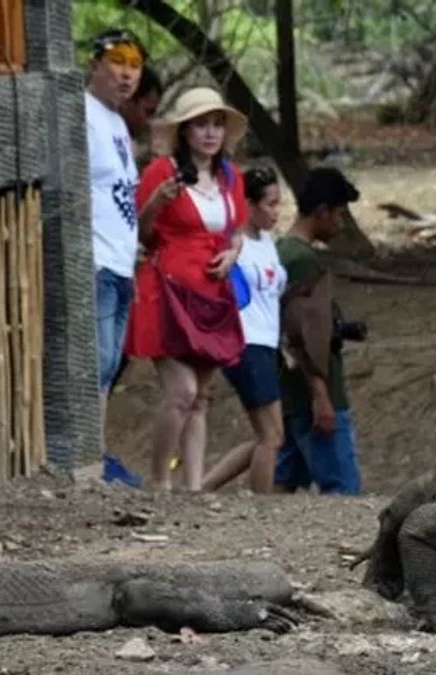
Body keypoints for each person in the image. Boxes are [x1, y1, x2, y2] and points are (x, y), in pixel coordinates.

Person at [125, 86, 250, 492]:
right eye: (201, 125)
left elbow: (237, 230)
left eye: (217, 125)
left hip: (211, 294)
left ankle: (193, 489)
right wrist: (158, 202)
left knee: (202, 396)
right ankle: (159, 480)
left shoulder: (230, 177)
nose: (211, 133)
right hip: (166, 290)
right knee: (182, 391)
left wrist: (233, 253)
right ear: (184, 131)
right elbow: (142, 234)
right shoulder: (162, 172)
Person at [84, 28, 150, 488]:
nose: (127, 73)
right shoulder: (81, 114)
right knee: (97, 360)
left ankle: (99, 452)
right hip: (95, 258)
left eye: (135, 64)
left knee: (111, 365)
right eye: (118, 61)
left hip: (123, 260)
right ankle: (90, 457)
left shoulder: (118, 124)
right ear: (96, 64)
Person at [273, 167, 364, 496]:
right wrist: (321, 396)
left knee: (282, 483)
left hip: (288, 392)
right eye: (339, 214)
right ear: (322, 212)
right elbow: (303, 335)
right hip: (314, 393)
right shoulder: (302, 261)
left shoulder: (280, 252)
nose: (340, 223)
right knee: (343, 489)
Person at [201, 166, 289, 494]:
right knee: (271, 435)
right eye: (270, 204)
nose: (276, 212)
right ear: (248, 204)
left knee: (268, 435)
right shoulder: (235, 245)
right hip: (245, 342)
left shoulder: (267, 242)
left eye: (279, 203)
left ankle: (200, 487)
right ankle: (260, 506)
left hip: (267, 342)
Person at [106, 65, 166, 399]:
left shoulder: (125, 145)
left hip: (124, 260)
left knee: (117, 355)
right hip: (105, 262)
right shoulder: (101, 134)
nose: (149, 121)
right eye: (147, 111)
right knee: (103, 359)